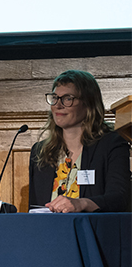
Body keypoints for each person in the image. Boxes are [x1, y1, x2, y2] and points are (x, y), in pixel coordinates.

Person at [29, 70, 131, 212]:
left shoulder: (111, 144)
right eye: (55, 98)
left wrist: (82, 204)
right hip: (49, 231)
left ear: (88, 104)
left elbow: (120, 199)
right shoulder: (40, 152)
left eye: (68, 98)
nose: (58, 105)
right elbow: (35, 209)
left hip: (93, 231)